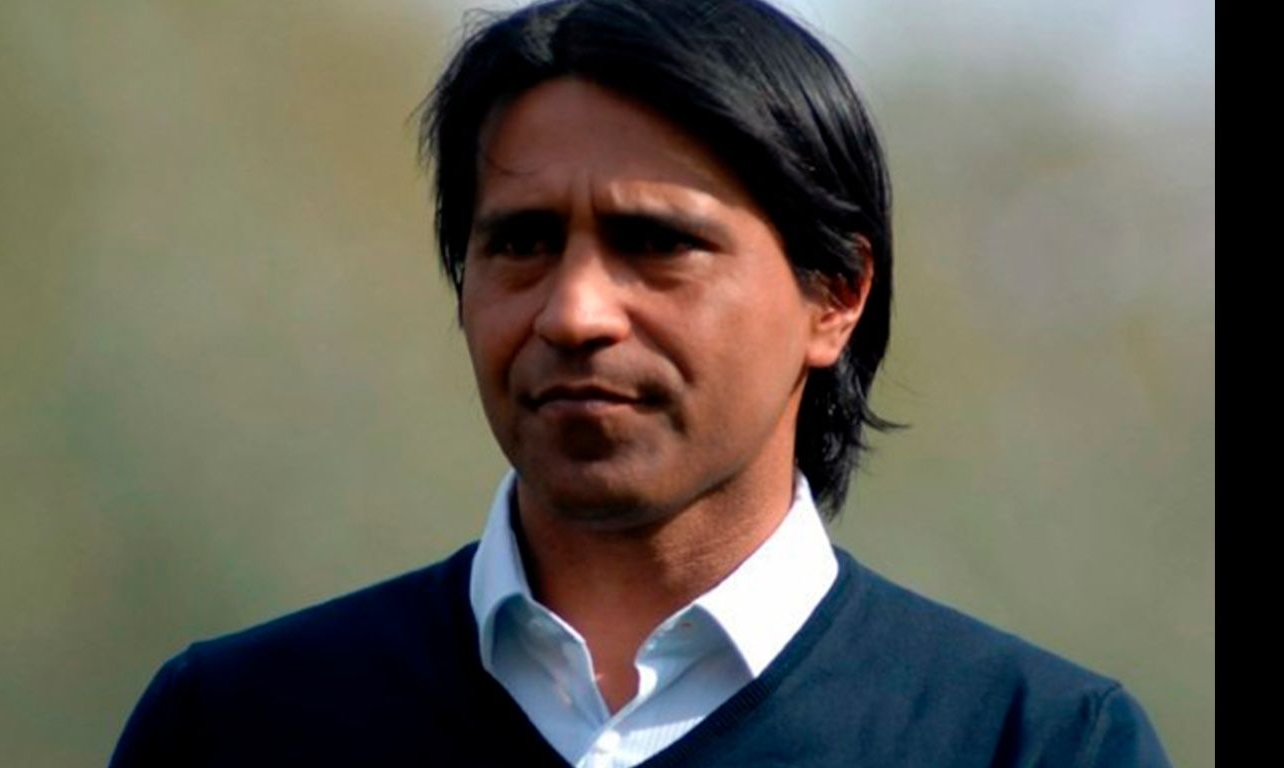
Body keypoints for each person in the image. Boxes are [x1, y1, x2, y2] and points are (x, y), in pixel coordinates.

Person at [109, 1, 1172, 766]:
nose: (575, 313)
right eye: (522, 243)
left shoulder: (1030, 742)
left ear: (835, 296)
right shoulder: (238, 725)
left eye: (656, 243)